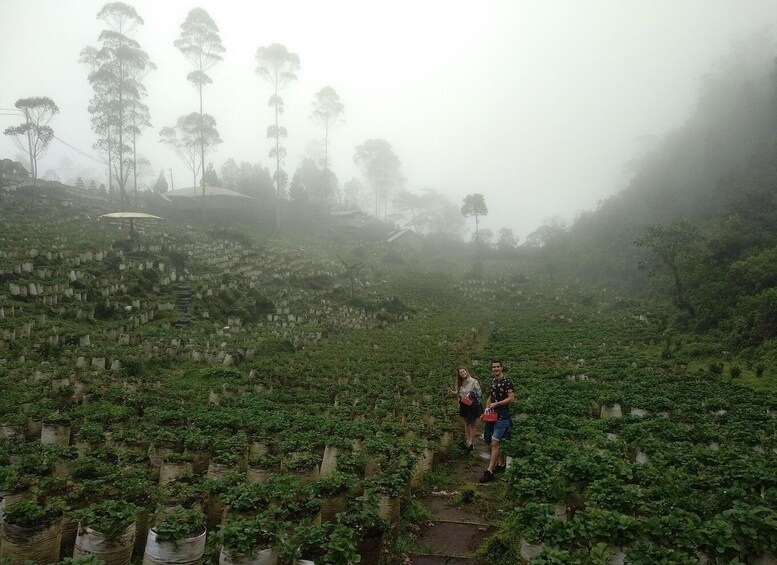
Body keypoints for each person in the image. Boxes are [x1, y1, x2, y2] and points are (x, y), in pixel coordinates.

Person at [479, 359, 514, 483]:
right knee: (494, 441)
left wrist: (497, 404)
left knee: (495, 442)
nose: (496, 369)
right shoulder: (493, 381)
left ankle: (489, 471)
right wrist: (486, 410)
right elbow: (491, 397)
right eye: (494, 367)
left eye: (498, 366)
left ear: (502, 367)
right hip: (493, 414)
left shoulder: (507, 382)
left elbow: (511, 398)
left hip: (503, 415)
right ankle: (501, 464)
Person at [449, 367, 482, 450]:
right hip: (463, 404)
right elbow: (458, 392)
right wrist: (453, 392)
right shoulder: (460, 382)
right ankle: (467, 440)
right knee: (466, 422)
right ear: (459, 375)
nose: (462, 373)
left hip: (472, 404)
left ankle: (472, 442)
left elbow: (479, 393)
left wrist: (471, 396)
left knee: (472, 423)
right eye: (460, 372)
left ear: (466, 371)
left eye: (463, 371)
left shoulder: (474, 381)